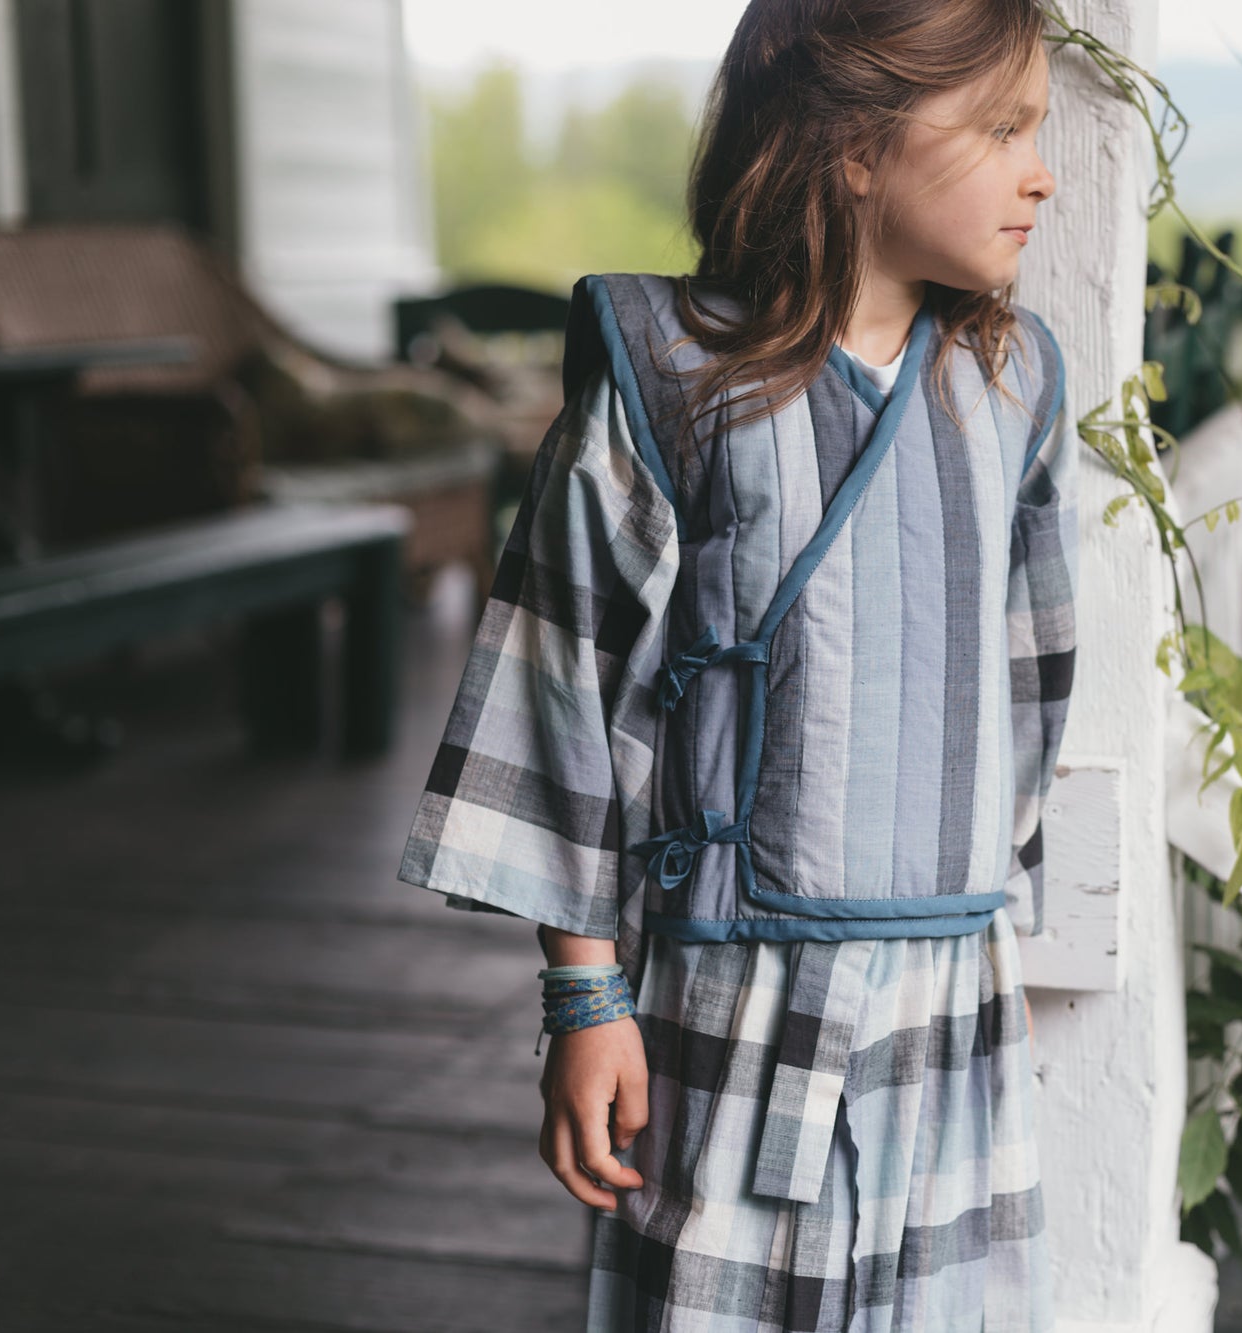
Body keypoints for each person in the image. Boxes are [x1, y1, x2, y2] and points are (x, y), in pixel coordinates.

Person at [394, 1, 1079, 1329]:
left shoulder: (1012, 390)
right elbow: (558, 687)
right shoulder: (673, 385)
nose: (1039, 172)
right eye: (1002, 129)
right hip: (737, 996)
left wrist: (996, 941)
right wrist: (585, 996)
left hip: (949, 1001)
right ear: (855, 147)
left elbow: (1029, 682)